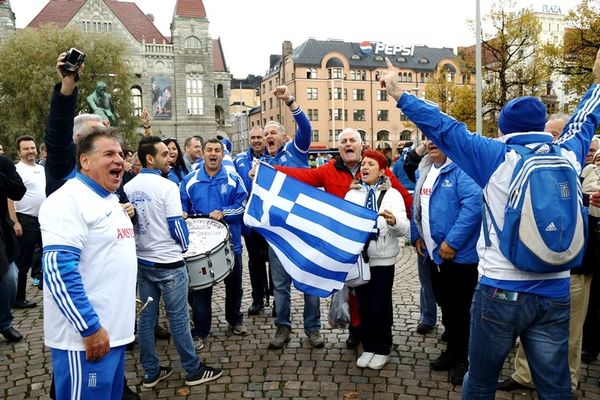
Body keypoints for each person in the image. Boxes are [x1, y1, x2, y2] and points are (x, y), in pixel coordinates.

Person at [380, 48, 600, 399]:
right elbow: (585, 120)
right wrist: (598, 83)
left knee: (480, 380)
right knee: (555, 385)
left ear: (502, 128)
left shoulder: (495, 155)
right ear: (542, 126)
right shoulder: (569, 153)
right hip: (556, 288)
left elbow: (444, 126)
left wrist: (398, 92)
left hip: (501, 288)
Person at [45, 51, 139, 400]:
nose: (119, 158)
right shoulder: (65, 184)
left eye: (120, 152)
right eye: (102, 145)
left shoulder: (108, 192)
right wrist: (68, 85)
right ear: (81, 154)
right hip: (86, 336)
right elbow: (58, 269)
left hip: (113, 332)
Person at [274, 127, 413, 349]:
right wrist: (271, 170)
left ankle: (380, 337)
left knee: (377, 296)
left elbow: (404, 200)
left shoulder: (378, 168)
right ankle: (356, 330)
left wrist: (413, 229)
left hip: (376, 248)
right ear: (339, 148)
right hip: (345, 244)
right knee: (352, 289)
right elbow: (304, 176)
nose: (348, 144)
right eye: (344, 141)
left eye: (353, 140)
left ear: (360, 145)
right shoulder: (329, 169)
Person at [497, 118, 598, 392]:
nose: (549, 140)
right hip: (536, 265)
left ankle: (568, 380)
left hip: (575, 267)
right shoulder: (532, 164)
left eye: (554, 135)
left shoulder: (584, 169)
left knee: (570, 331)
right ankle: (525, 375)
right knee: (531, 326)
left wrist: (591, 203)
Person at [125, 136, 222, 388]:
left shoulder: (130, 186)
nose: (170, 158)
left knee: (146, 319)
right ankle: (192, 370)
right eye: (163, 154)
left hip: (143, 261)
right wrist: (185, 245)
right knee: (178, 318)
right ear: (150, 159)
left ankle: (151, 372)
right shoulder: (166, 186)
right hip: (169, 262)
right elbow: (176, 225)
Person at [253, 85, 325, 350]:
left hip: (303, 230)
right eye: (265, 134)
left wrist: (290, 102)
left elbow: (306, 129)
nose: (268, 136)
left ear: (283, 137)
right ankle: (282, 328)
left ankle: (313, 329)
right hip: (278, 234)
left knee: (308, 282)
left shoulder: (296, 151)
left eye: (273, 133)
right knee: (280, 286)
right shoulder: (261, 165)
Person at [410, 141, 481, 385]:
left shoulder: (463, 169)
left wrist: (452, 242)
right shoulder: (426, 169)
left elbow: (473, 206)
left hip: (458, 257)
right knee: (446, 306)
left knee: (461, 310)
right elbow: (417, 205)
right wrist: (416, 235)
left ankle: (464, 359)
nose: (431, 142)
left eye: (437, 137)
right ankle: (453, 350)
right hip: (433, 254)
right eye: (428, 137)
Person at [344, 150, 410, 370]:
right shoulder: (352, 194)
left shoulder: (393, 195)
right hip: (360, 260)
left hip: (383, 258)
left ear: (382, 170)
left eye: (370, 164)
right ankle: (369, 345)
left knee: (379, 304)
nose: (365, 167)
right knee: (363, 305)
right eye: (363, 163)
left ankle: (382, 348)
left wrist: (393, 222)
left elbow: (404, 228)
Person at [180, 139, 248, 348]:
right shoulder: (190, 180)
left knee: (235, 286)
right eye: (209, 150)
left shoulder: (233, 178)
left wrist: (225, 213)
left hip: (230, 244)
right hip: (199, 247)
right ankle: (200, 330)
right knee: (201, 289)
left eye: (217, 150)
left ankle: (235, 319)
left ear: (222, 154)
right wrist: (183, 213)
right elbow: (182, 204)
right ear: (203, 154)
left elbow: (243, 205)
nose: (213, 153)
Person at [234, 126, 271, 315]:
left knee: (274, 261)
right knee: (255, 261)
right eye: (253, 137)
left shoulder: (273, 158)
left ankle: (277, 298)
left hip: (271, 220)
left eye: (260, 137)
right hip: (250, 221)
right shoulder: (239, 160)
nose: (256, 140)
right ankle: (258, 299)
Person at [8, 135, 46, 308]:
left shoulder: (42, 169)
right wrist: (15, 222)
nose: (30, 151)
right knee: (24, 262)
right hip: (25, 220)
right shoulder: (16, 170)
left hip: (44, 220)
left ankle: (49, 291)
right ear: (19, 152)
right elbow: (10, 198)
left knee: (50, 256)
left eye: (32, 147)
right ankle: (18, 298)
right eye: (26, 149)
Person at [0, 154, 26, 343]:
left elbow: (18, 191)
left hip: (1, 232)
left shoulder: (3, 163)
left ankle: (4, 323)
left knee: (9, 278)